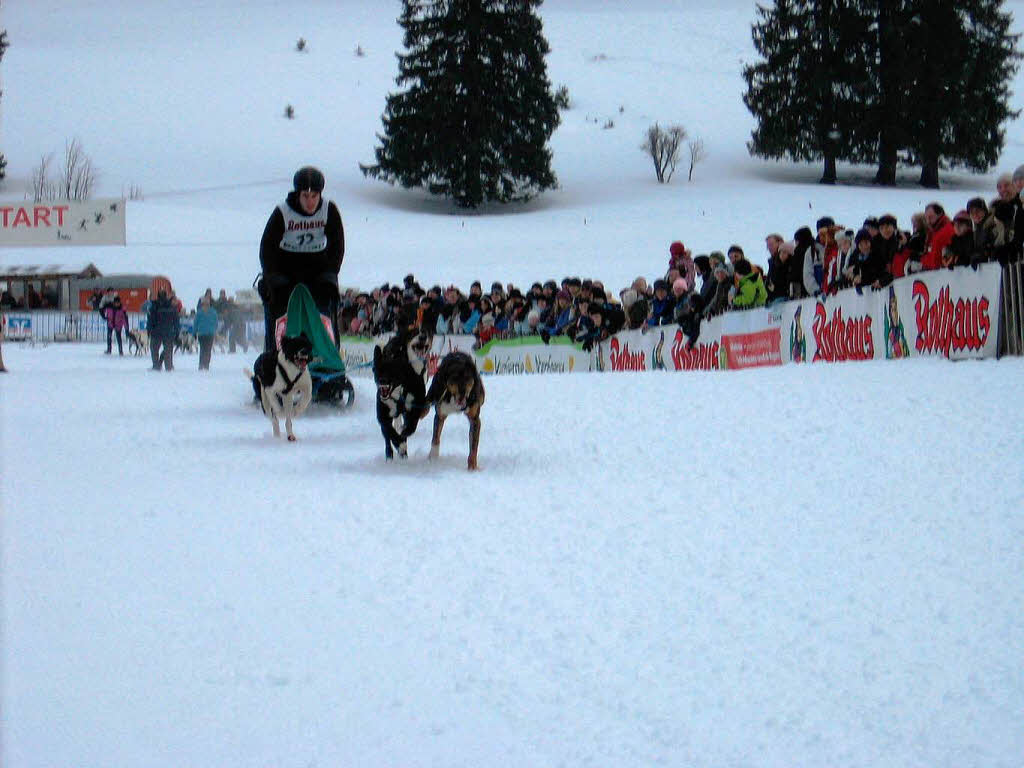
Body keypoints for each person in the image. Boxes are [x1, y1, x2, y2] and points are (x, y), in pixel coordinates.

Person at [259, 165, 345, 351]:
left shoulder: (329, 209)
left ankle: (329, 351)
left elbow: (337, 245)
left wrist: (331, 272)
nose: (310, 202)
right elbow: (267, 248)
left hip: (317, 264)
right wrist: (272, 277)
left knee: (326, 303)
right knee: (277, 303)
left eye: (314, 196)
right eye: (305, 196)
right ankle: (274, 352)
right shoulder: (283, 212)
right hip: (285, 265)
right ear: (297, 194)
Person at [147, 289, 180, 371]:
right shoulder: (172, 307)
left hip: (156, 332)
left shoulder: (154, 306)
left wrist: (149, 330)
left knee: (154, 349)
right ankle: (169, 366)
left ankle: (156, 366)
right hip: (168, 332)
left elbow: (150, 320)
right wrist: (176, 331)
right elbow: (176, 320)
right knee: (168, 350)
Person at [194, 294, 219, 370]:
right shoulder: (212, 312)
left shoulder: (201, 312)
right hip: (207, 334)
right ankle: (204, 364)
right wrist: (214, 330)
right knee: (206, 349)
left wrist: (195, 332)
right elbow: (216, 323)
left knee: (205, 349)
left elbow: (196, 323)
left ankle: (203, 364)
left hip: (205, 334)